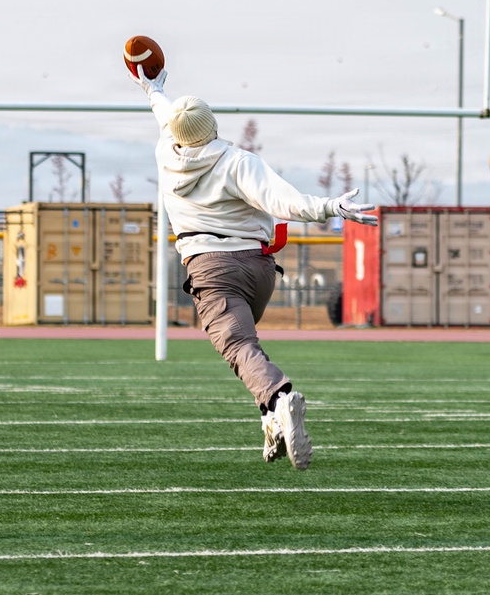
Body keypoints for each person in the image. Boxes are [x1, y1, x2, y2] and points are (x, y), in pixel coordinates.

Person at [132, 65, 378, 471]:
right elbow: (284, 201)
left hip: (210, 269)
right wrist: (331, 207)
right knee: (248, 346)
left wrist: (152, 91)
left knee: (240, 348)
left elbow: (167, 120)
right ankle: (270, 421)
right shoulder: (237, 161)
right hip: (259, 269)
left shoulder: (165, 154)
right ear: (213, 126)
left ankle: (280, 399)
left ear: (175, 134)